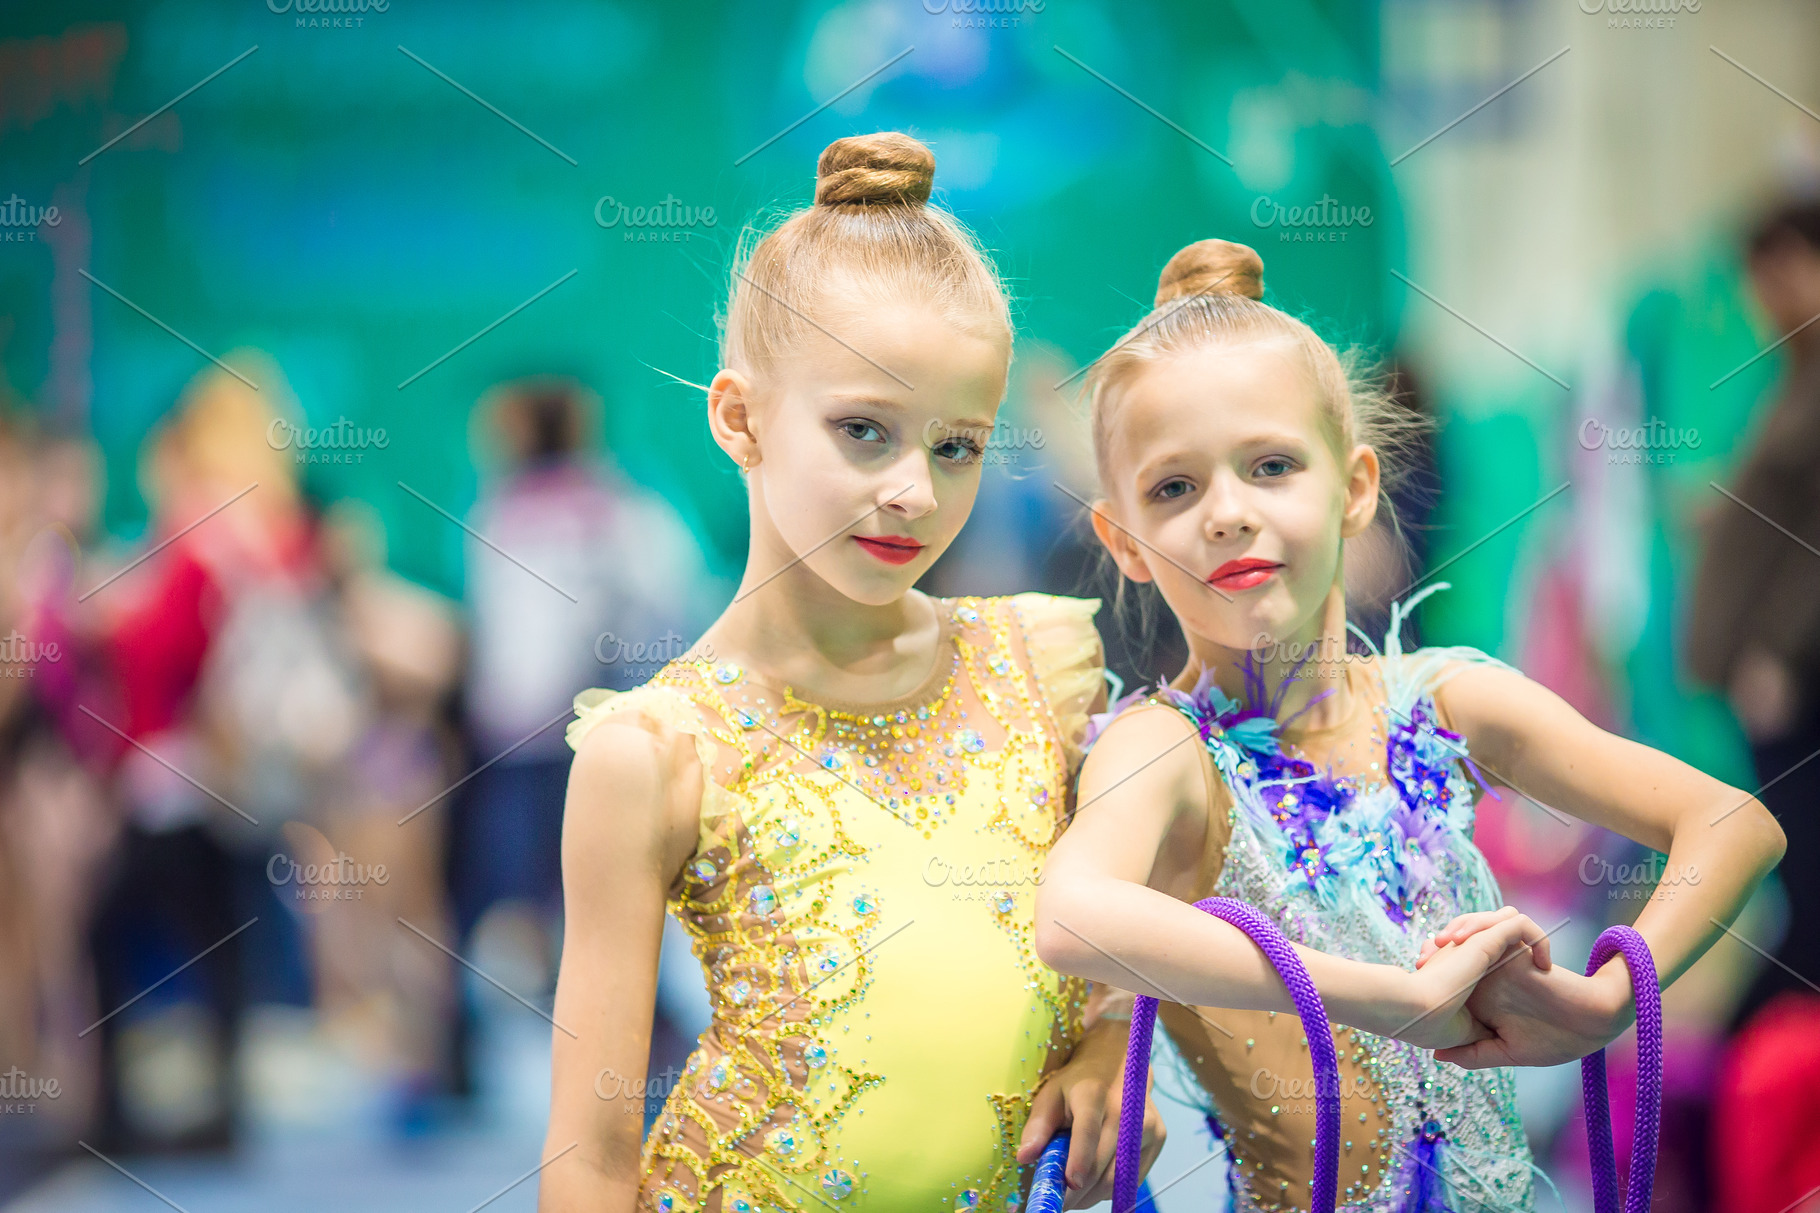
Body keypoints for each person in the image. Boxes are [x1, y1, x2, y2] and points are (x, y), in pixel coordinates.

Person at [1032, 239, 1787, 1211]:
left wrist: (1604, 1004)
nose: (1225, 513)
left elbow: (1733, 822)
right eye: (1173, 488)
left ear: (1352, 488)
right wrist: (1397, 1001)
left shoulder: (1443, 700)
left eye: (1269, 466)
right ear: (1123, 539)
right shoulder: (1165, 748)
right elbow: (1072, 914)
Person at [539, 133, 1161, 1213]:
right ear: (740, 417)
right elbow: (587, 1155)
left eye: (957, 444)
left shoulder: (1042, 668)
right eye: (864, 431)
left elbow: (1132, 929)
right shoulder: (655, 748)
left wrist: (1111, 1045)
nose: (915, 490)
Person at [1687, 199, 1820, 1031]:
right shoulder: (1796, 374)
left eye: (1777, 271)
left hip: (1796, 678)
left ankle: (1758, 1054)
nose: (1764, 295)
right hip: (1771, 675)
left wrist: (1777, 646)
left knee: (1801, 871)